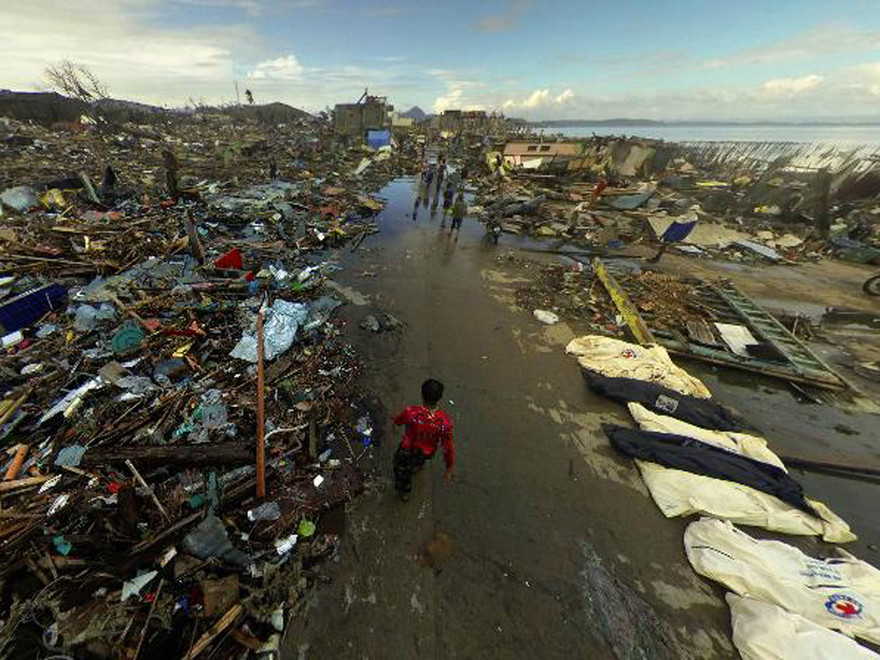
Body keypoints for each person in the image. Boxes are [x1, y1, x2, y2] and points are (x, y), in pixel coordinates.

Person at [392, 379, 455, 500]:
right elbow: (448, 448)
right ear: (439, 399)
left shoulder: (411, 412)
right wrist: (449, 467)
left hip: (407, 449)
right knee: (419, 459)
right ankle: (417, 466)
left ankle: (404, 491)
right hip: (427, 452)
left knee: (401, 469)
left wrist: (394, 425)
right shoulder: (444, 422)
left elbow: (398, 421)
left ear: (422, 395)